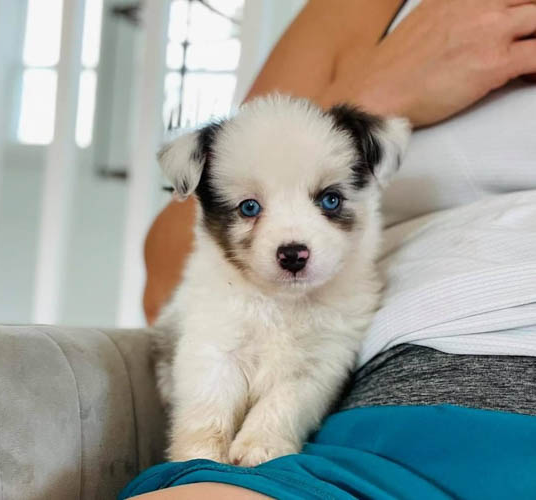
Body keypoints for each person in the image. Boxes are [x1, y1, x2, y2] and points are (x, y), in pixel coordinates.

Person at [123, 0, 536, 498]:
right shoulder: (359, 13)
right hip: (389, 427)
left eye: (328, 200)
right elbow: (168, 276)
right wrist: (383, 88)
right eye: (252, 208)